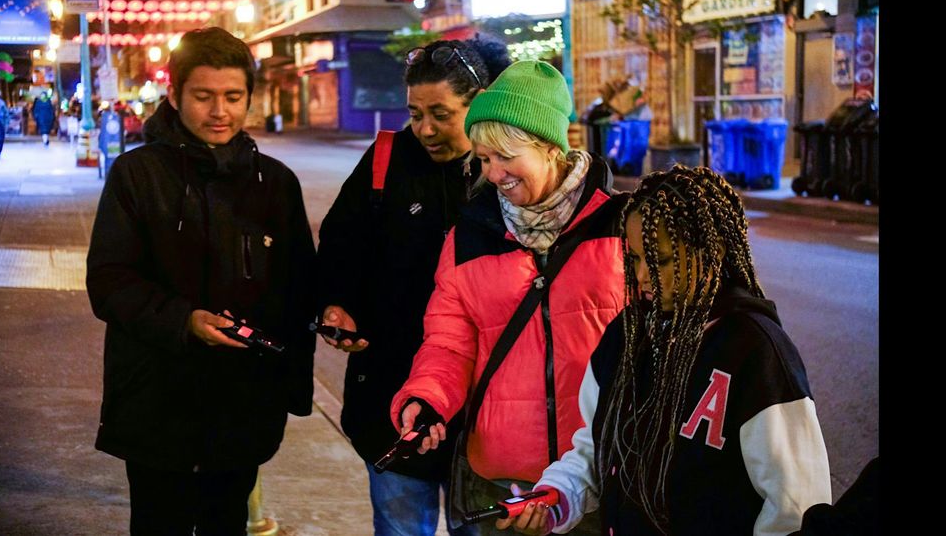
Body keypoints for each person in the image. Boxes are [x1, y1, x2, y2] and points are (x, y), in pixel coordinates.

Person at [501, 165, 832, 535]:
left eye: (660, 260)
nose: (642, 277)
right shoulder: (623, 337)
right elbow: (596, 451)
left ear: (712, 249)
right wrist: (557, 497)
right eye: (635, 260)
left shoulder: (757, 352)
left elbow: (795, 504)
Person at [85, 27, 317, 536]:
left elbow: (300, 285)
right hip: (156, 396)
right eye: (203, 96)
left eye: (233, 97)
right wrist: (183, 320)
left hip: (242, 400)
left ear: (249, 98)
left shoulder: (274, 182)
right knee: (158, 522)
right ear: (174, 94)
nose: (220, 112)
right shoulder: (136, 174)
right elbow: (108, 279)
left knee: (225, 521)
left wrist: (299, 368)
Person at [389, 60, 626, 535]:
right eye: (482, 159)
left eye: (505, 156)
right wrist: (428, 398)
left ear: (549, 148)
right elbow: (448, 344)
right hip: (499, 478)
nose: (493, 173)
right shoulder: (470, 236)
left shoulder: (621, 226)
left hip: (599, 472)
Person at [314, 36, 510, 536]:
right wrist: (337, 306)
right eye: (415, 113)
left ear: (480, 101)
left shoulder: (509, 171)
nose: (424, 128)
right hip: (394, 397)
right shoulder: (385, 161)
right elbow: (342, 246)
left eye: (441, 114)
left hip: (488, 406)